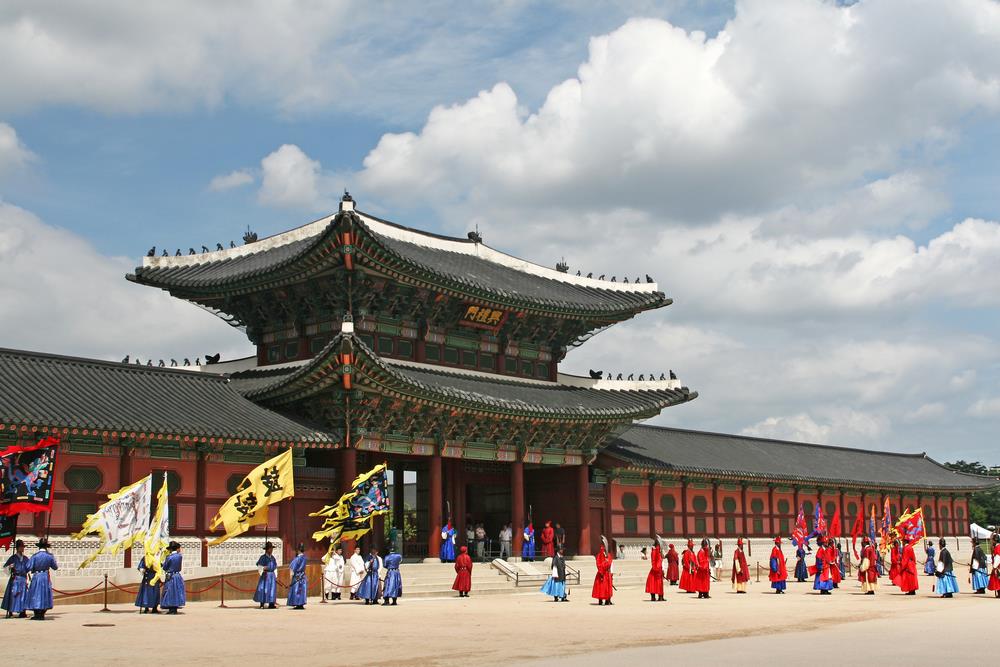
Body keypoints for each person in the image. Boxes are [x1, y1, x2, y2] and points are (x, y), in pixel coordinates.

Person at [24, 537, 58, 620]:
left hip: (37, 576)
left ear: (39, 546)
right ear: (46, 546)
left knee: (35, 594)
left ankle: (36, 614)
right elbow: (55, 567)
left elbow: (28, 567)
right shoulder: (50, 556)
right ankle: (42, 614)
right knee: (44, 594)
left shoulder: (35, 556)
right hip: (45, 576)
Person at [2, 539, 29, 618]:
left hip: (23, 578)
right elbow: (5, 568)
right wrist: (10, 567)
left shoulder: (25, 558)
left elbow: (28, 567)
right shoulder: (13, 558)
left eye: (23, 547)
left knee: (23, 595)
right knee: (13, 594)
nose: (23, 548)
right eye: (21, 547)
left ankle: (22, 611)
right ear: (17, 548)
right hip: (15, 578)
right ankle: (10, 610)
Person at [160, 541, 185, 614]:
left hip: (170, 576)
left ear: (171, 549)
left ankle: (171, 608)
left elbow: (165, 567)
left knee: (170, 591)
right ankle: (175, 608)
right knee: (177, 591)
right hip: (177, 575)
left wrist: (162, 564)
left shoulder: (169, 557)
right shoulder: (179, 556)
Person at [254, 541, 278, 609]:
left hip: (272, 575)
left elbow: (275, 567)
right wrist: (263, 568)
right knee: (263, 588)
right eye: (270, 548)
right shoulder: (263, 557)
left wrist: (276, 575)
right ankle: (262, 603)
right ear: (267, 549)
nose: (271, 550)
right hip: (265, 575)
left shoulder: (273, 558)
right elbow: (259, 566)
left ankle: (271, 603)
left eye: (272, 548)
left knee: (272, 589)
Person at [592, 541, 614, 605]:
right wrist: (602, 570)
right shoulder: (599, 556)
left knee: (607, 587)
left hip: (607, 573)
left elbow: (611, 563)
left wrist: (611, 572)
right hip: (602, 574)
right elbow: (598, 564)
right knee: (601, 587)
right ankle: (600, 600)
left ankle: (608, 600)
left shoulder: (608, 555)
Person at [988, 534, 1000, 598]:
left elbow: (998, 557)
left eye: (993, 540)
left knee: (997, 580)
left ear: (995, 541)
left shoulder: (997, 548)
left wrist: (994, 567)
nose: (992, 542)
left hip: (998, 566)